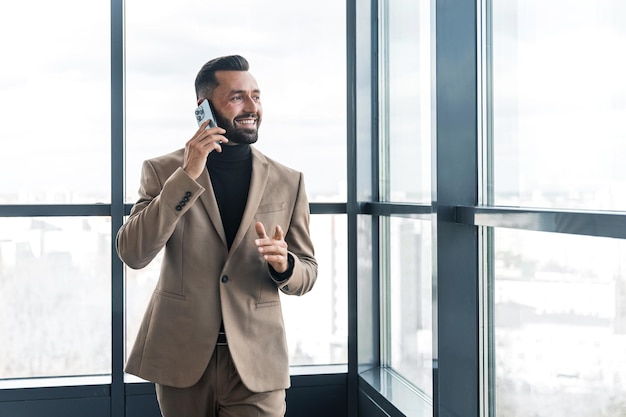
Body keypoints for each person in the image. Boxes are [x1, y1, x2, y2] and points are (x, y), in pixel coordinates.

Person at [116, 54, 318, 417]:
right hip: (183, 357)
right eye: (238, 97)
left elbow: (307, 273)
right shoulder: (163, 171)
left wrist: (285, 265)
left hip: (257, 361)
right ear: (203, 108)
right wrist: (187, 175)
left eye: (256, 96)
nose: (252, 107)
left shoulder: (288, 181)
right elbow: (133, 252)